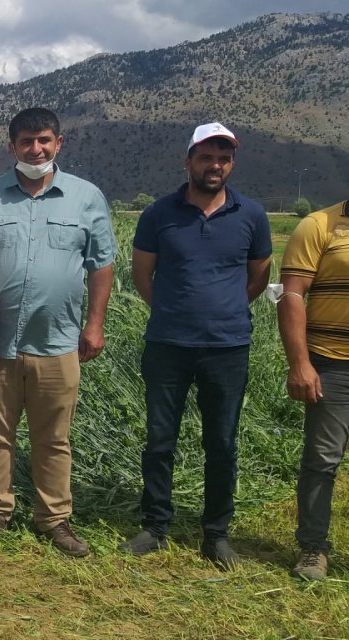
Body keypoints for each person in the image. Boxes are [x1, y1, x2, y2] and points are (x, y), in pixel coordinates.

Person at [0, 107, 115, 557]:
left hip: (58, 341)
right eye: (26, 142)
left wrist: (95, 324)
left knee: (54, 436)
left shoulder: (85, 198)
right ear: (11, 147)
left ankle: (54, 518)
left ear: (59, 143)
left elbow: (101, 264)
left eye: (44, 140)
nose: (36, 149)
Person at [123, 123, 271, 568]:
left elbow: (258, 276)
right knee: (160, 437)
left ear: (231, 164)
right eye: (206, 157)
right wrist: (173, 310)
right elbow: (142, 275)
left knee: (222, 441)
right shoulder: (158, 214)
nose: (215, 165)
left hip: (227, 347)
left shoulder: (252, 215)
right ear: (188, 161)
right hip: (168, 343)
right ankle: (156, 525)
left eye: (223, 158)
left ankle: (216, 532)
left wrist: (223, 309)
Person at [278, 197, 349, 581]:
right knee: (323, 460)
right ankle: (313, 548)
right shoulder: (319, 225)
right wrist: (300, 363)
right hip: (333, 362)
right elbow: (291, 295)